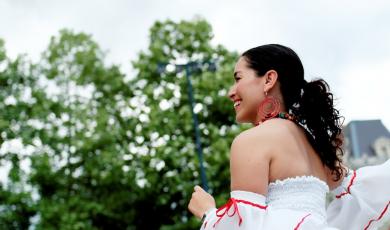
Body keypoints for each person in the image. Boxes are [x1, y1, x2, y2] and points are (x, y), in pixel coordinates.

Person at [187, 44, 390, 229]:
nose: (231, 92)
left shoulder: (252, 141)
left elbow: (247, 225)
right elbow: (364, 194)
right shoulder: (314, 144)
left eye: (238, 78)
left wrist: (208, 214)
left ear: (269, 79)